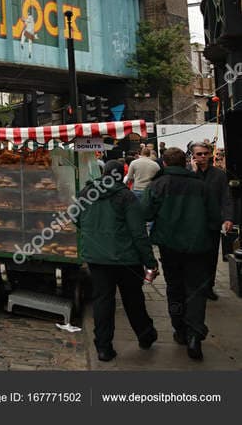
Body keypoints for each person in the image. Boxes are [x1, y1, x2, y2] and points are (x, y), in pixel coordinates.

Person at [143, 147, 229, 360]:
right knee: (196, 290)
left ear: (164, 163)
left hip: (169, 246)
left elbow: (145, 212)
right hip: (197, 246)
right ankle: (194, 334)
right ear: (185, 162)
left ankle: (180, 329)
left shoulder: (158, 185)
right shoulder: (201, 186)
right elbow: (213, 217)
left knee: (175, 288)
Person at [76, 160, 158, 362]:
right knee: (133, 299)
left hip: (97, 257)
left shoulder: (86, 192)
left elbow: (76, 218)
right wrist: (150, 261)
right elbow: (138, 232)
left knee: (103, 301)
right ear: (121, 173)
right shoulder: (126, 196)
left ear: (103, 172)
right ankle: (145, 334)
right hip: (126, 258)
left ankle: (103, 347)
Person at [189, 142, 235, 300]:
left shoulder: (219, 174)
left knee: (211, 256)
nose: (203, 157)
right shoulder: (188, 174)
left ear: (210, 155)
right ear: (192, 156)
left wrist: (228, 218)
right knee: (195, 257)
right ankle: (195, 287)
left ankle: (209, 286)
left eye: (205, 153)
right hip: (193, 223)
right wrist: (194, 173)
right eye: (199, 154)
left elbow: (226, 198)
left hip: (212, 222)